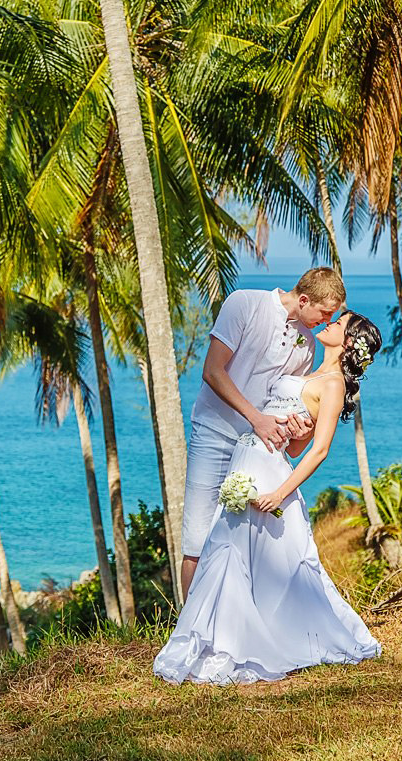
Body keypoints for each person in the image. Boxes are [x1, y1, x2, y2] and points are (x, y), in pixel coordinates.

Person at [154, 311, 384, 685]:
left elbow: (318, 450)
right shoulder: (310, 372)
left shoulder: (334, 384)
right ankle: (220, 639)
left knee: (244, 554)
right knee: (232, 553)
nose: (330, 323)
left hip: (269, 475)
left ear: (347, 344)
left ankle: (242, 644)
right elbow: (294, 441)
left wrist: (280, 493)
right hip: (246, 458)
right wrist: (297, 429)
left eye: (339, 323)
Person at [181, 268, 345, 599]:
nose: (327, 321)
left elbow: (287, 408)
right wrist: (256, 418)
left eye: (334, 316)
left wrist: (300, 429)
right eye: (325, 313)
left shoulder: (307, 346)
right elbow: (213, 371)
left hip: (261, 452)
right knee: (197, 541)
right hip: (214, 434)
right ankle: (189, 632)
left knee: (248, 543)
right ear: (303, 299)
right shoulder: (244, 304)